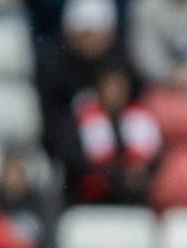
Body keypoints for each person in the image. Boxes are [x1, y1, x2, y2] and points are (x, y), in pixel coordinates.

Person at [37, 0, 126, 166]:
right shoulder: (54, 67)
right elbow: (51, 125)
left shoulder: (121, 65)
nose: (90, 41)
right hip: (71, 159)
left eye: (96, 33)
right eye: (84, 34)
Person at [68, 58, 162, 205]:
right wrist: (114, 174)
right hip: (93, 198)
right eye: (109, 86)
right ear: (99, 88)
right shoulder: (82, 120)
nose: (115, 92)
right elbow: (75, 161)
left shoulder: (142, 118)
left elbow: (155, 157)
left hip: (135, 196)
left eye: (119, 86)